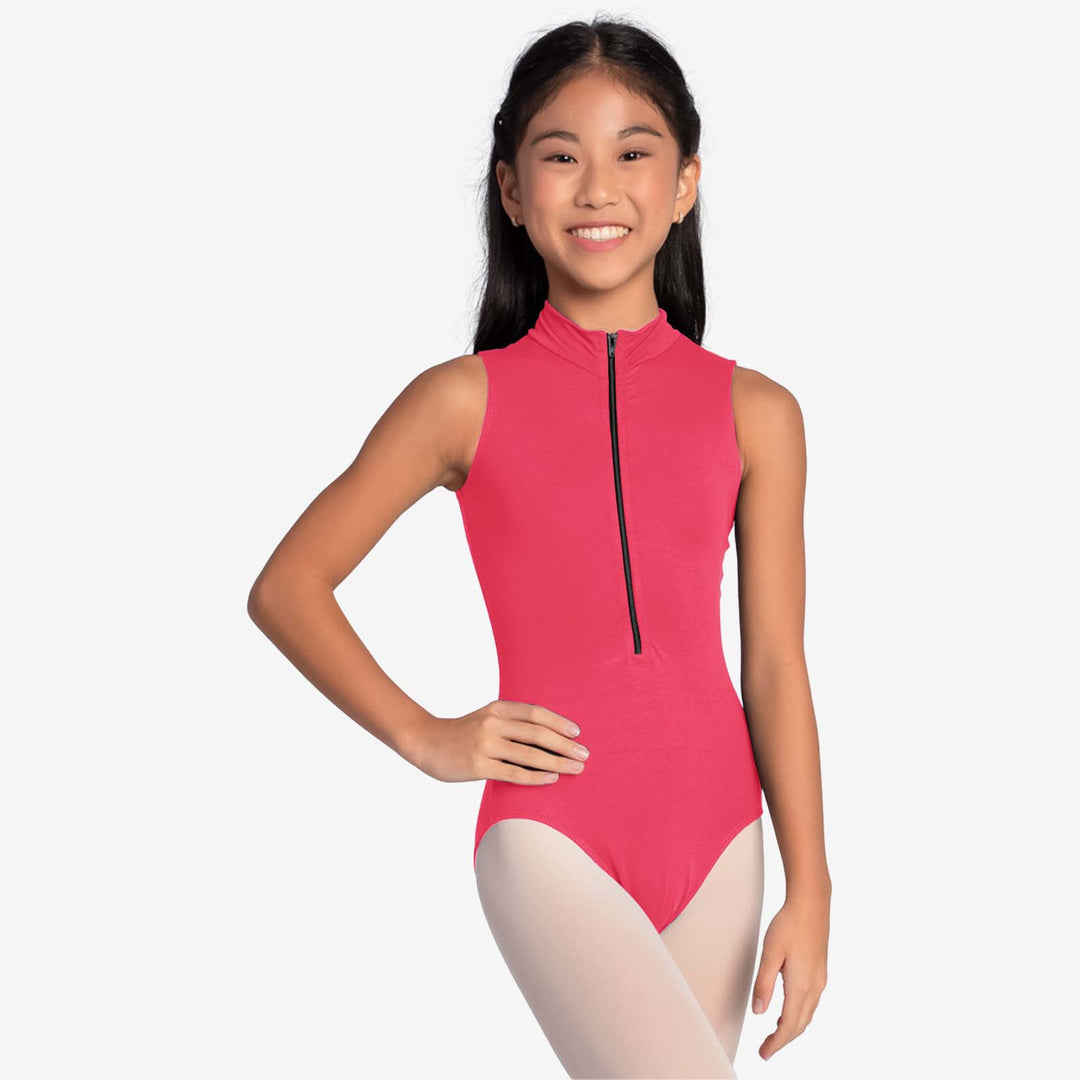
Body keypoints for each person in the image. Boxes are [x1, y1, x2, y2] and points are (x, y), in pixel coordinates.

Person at [248, 16, 830, 1078]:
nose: (599, 187)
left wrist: (814, 884)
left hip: (722, 837)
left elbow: (778, 668)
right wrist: (426, 737)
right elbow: (289, 586)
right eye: (561, 157)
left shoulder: (758, 411)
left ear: (686, 184)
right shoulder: (460, 402)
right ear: (513, 192)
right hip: (552, 826)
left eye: (633, 153)